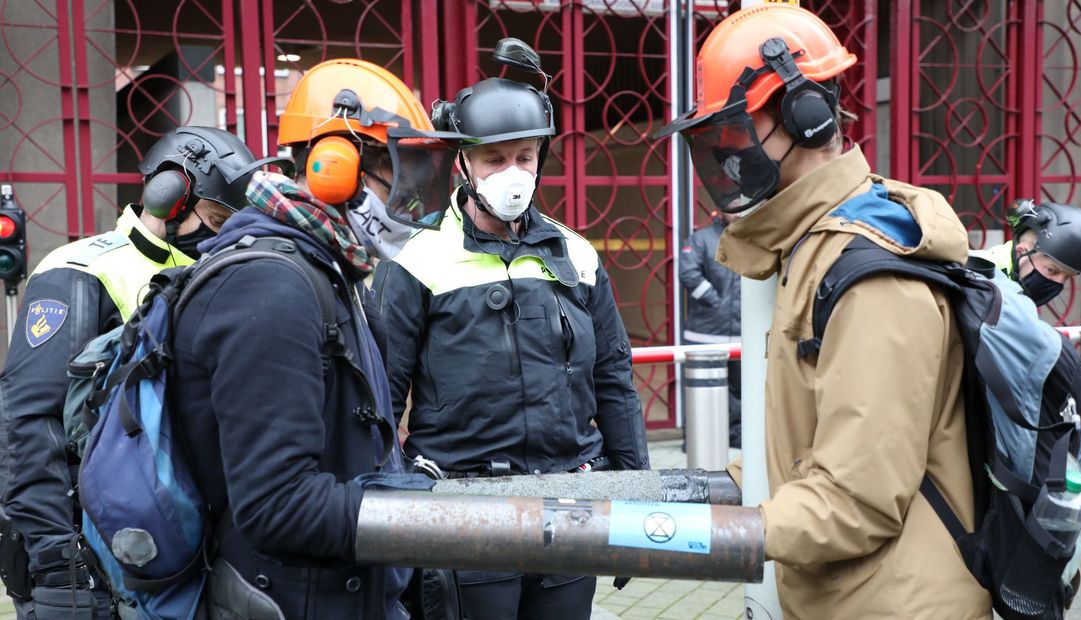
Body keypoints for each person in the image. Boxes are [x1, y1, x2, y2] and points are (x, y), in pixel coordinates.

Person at [657, 4, 990, 618]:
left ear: (804, 117)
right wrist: (721, 486)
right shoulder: (809, 245)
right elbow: (817, 435)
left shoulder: (868, 277)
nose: (727, 153)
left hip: (896, 604)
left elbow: (857, 500)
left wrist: (699, 540)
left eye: (738, 128)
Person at [165, 58, 451, 618]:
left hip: (339, 591)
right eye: (400, 174)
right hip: (296, 599)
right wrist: (422, 512)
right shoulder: (269, 288)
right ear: (332, 162)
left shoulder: (327, 269)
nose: (412, 205)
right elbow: (277, 504)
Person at [373, 70, 650, 618]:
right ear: (465, 163)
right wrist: (394, 523)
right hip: (464, 512)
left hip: (569, 507)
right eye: (495, 159)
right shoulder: (416, 259)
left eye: (524, 157)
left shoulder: (576, 256)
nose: (512, 173)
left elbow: (614, 380)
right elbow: (380, 401)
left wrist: (636, 506)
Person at [0, 126, 261, 619]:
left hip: (178, 560)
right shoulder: (82, 270)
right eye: (215, 217)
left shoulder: (222, 276)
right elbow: (29, 423)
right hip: (89, 567)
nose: (222, 232)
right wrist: (59, 562)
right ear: (170, 197)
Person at [679, 210, 742, 448]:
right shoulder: (701, 238)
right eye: (733, 207)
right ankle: (696, 438)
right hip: (703, 333)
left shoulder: (754, 237)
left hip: (742, 333)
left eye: (742, 206)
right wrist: (715, 301)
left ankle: (735, 436)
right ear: (721, 210)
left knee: (740, 390)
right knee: (699, 388)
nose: (738, 212)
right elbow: (687, 273)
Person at [985, 199, 1081, 306]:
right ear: (1022, 251)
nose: (1059, 282)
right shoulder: (979, 278)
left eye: (1067, 277)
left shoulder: (1015, 285)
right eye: (1052, 270)